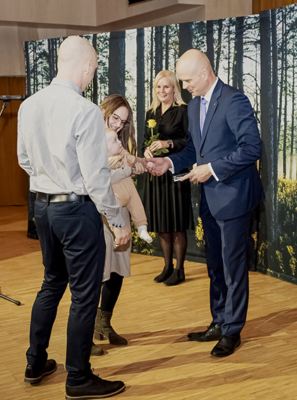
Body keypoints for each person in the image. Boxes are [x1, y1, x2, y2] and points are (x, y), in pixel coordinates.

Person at [17, 36, 129, 399]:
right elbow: (96, 179)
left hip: (42, 208)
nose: (93, 73)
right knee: (84, 295)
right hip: (76, 211)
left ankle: (36, 362)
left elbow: (24, 160)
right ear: (86, 65)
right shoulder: (84, 110)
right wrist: (116, 220)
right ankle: (78, 377)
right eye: (94, 67)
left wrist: (50, 180)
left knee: (52, 282)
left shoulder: (29, 105)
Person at [148, 50, 264, 357]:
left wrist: (212, 169)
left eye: (187, 80)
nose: (184, 86)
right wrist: (169, 163)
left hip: (235, 197)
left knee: (233, 267)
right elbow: (194, 152)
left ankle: (232, 331)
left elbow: (252, 147)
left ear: (204, 73)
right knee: (215, 265)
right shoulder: (195, 105)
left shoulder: (234, 100)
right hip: (210, 200)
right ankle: (219, 321)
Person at [93, 94, 145, 352]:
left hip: (120, 215)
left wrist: (145, 163)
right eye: (115, 117)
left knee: (116, 271)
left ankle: (104, 323)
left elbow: (133, 162)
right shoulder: (89, 137)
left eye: (123, 122)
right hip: (99, 215)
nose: (117, 125)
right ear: (104, 111)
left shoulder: (118, 144)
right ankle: (87, 329)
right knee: (96, 273)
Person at [143, 70, 194, 286]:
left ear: (174, 89)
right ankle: (167, 267)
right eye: (158, 87)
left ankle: (180, 270)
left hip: (176, 173)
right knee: (162, 223)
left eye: (166, 86)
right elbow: (145, 140)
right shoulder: (151, 112)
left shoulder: (183, 111)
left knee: (177, 223)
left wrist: (168, 143)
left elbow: (190, 142)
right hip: (156, 175)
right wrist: (146, 150)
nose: (162, 90)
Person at [105, 128, 152, 243]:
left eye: (118, 139)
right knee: (113, 213)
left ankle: (142, 228)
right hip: (116, 197)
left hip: (130, 194)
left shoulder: (123, 155)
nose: (120, 142)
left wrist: (147, 165)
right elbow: (109, 178)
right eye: (115, 141)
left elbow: (136, 161)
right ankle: (117, 234)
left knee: (138, 207)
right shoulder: (103, 163)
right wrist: (127, 170)